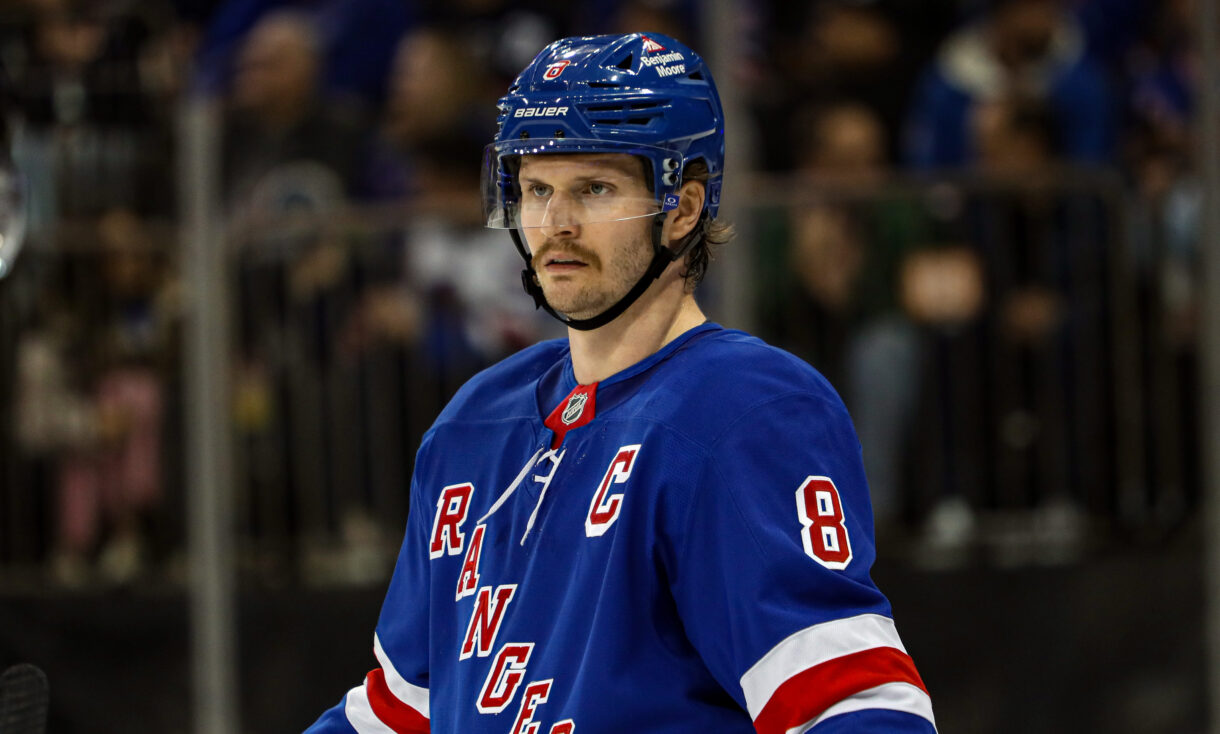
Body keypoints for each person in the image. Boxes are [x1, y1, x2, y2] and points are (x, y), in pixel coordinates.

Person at [307, 32, 936, 734]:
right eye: (537, 189)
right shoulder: (472, 422)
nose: (556, 224)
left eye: (594, 189)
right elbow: (401, 711)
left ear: (684, 207)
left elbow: (850, 704)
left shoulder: (746, 409)